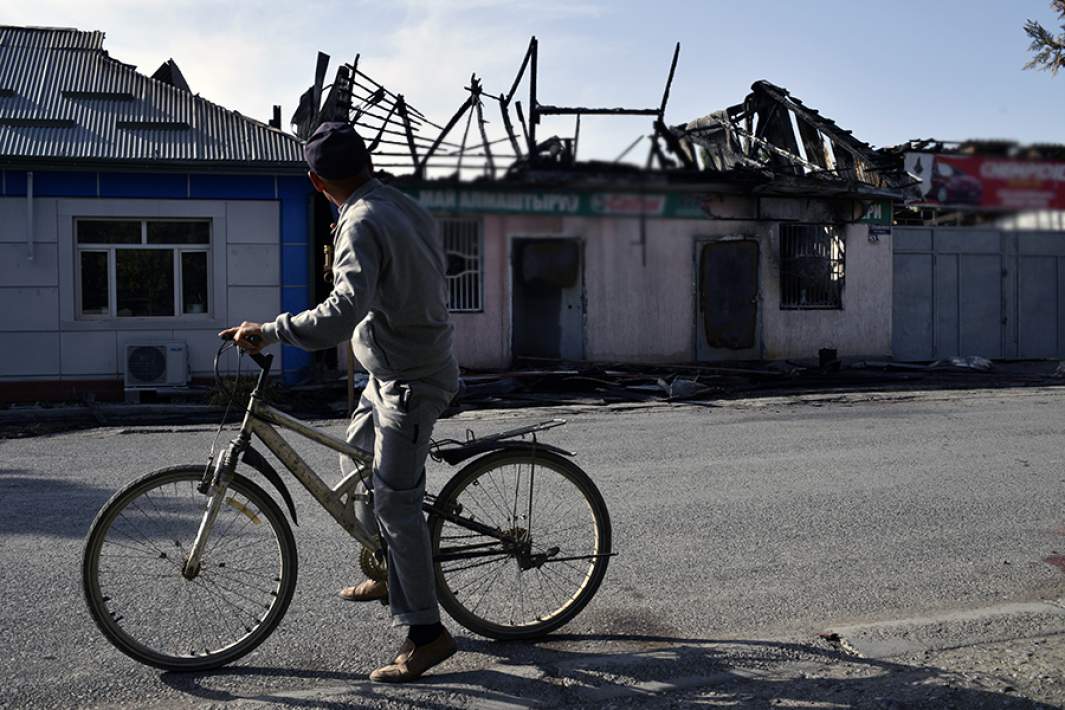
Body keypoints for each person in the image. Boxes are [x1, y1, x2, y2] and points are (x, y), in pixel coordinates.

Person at [220, 122, 460, 683]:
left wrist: (272, 330)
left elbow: (343, 310)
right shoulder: (400, 202)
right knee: (353, 459)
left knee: (398, 504)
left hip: (411, 380)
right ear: (367, 164)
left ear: (315, 181)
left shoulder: (362, 220)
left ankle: (428, 634)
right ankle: (389, 566)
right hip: (390, 370)